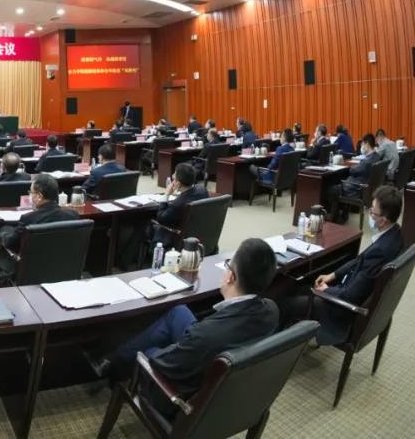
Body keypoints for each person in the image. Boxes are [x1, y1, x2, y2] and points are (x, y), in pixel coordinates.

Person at [100, 238, 279, 417]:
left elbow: (160, 362)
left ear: (230, 277)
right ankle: (115, 358)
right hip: (222, 365)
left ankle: (115, 363)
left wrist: (173, 347)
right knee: (178, 312)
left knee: (148, 352)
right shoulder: (271, 310)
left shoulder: (205, 335)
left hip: (181, 396)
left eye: (227, 265)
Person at [279, 186, 405, 346]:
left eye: (373, 212)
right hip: (348, 290)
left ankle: (280, 349)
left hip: (342, 308)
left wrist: (326, 290)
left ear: (384, 219)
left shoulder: (381, 251)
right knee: (301, 287)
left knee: (285, 302)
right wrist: (333, 275)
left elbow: (351, 295)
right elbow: (360, 259)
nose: (369, 214)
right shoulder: (395, 235)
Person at [0, 173, 79, 282]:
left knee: (6, 230)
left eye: (31, 192)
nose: (30, 196)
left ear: (39, 196)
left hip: (33, 273)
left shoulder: (28, 218)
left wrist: (1, 234)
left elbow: (10, 243)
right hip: (64, 270)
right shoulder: (73, 215)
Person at [153, 163, 209, 246]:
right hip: (199, 236)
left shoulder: (178, 204)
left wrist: (166, 194)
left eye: (174, 176)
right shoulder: (203, 190)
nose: (172, 175)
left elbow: (161, 218)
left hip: (177, 239)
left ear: (178, 184)